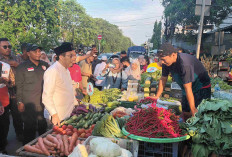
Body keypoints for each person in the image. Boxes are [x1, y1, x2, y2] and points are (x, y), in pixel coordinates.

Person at [152, 43, 211, 120]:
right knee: (185, 112)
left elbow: (188, 88)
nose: (162, 62)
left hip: (201, 87)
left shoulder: (184, 63)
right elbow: (163, 79)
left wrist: (193, 109)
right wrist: (157, 96)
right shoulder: (166, 63)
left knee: (199, 115)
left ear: (173, 55)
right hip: (186, 88)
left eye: (163, 59)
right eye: (160, 59)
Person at [16, 44, 49, 145]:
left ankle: (43, 148)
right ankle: (27, 149)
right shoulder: (22, 67)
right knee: (29, 128)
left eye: (39, 51)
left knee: (43, 127)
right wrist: (19, 102)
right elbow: (19, 86)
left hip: (43, 102)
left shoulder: (45, 66)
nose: (38, 53)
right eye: (35, 51)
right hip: (29, 103)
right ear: (28, 53)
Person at [42, 42, 78, 126]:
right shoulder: (53, 71)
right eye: (70, 56)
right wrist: (54, 115)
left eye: (73, 55)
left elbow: (69, 89)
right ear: (61, 57)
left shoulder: (66, 70)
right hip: (56, 117)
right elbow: (46, 97)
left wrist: (75, 103)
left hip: (67, 115)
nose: (73, 59)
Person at [0, 38, 23, 141]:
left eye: (9, 46)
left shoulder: (16, 58)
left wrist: (18, 66)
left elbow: (26, 70)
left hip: (15, 92)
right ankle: (2, 143)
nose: (8, 49)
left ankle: (20, 135)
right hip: (2, 94)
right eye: (5, 47)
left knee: (18, 117)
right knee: (4, 120)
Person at [0, 61, 14, 154]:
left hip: (4, 100)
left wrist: (6, 81)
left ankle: (2, 144)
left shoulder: (5, 66)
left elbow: (12, 83)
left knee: (5, 125)